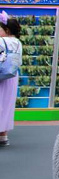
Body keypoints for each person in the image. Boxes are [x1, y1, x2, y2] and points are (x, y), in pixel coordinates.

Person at [0, 12, 22, 146]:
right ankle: (3, 135)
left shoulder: (2, 41)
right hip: (12, 75)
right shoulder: (18, 43)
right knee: (7, 104)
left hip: (1, 75)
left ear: (7, 30)